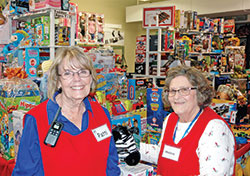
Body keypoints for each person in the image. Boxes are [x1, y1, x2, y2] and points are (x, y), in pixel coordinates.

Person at [12, 46, 121, 176]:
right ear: (57, 81)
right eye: (68, 73)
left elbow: (111, 165)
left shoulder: (101, 114)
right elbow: (25, 172)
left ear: (91, 78)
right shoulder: (36, 119)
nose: (77, 79)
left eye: (83, 72)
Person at [140, 65, 236, 176]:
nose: (176, 97)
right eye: (172, 91)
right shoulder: (171, 119)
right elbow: (165, 154)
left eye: (184, 90)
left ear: (200, 92)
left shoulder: (215, 128)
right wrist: (134, 147)